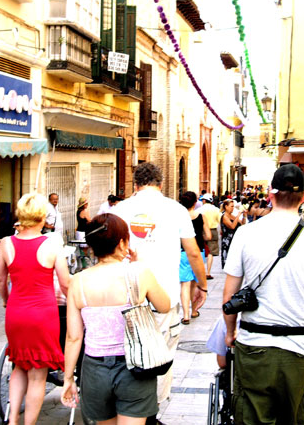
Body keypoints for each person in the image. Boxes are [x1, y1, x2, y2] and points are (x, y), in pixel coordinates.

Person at [223, 164, 304, 424]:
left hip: (255, 341)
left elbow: (230, 295)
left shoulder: (246, 233)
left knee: (251, 414)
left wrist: (230, 332)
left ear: (270, 195)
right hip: (300, 347)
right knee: (295, 416)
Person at [111, 162, 207, 413]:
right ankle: (153, 409)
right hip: (164, 297)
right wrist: (203, 286)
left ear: (136, 185)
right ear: (161, 183)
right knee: (163, 353)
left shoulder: (121, 209)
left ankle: (129, 407)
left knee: (127, 352)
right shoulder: (175, 210)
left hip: (128, 295)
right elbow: (194, 253)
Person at [61, 214, 170, 423]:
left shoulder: (78, 282)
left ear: (91, 246)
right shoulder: (138, 273)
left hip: (94, 369)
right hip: (135, 368)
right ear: (122, 243)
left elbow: (73, 337)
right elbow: (164, 306)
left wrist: (68, 378)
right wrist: (138, 266)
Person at [0, 192, 71, 425]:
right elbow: (66, 282)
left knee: (18, 365)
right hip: (43, 314)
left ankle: (13, 420)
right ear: (41, 218)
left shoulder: (7, 243)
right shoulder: (51, 244)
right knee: (38, 375)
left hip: (16, 311)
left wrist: (8, 300)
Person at [178, 191, 211, 324]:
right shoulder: (201, 217)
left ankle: (185, 315)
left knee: (185, 284)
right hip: (198, 251)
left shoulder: (178, 217)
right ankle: (194, 310)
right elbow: (208, 236)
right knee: (194, 284)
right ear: (194, 202)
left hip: (182, 252)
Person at [199, 193, 221, 279]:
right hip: (212, 231)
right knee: (211, 253)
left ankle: (201, 271)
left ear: (204, 200)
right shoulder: (216, 209)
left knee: (201, 250)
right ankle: (208, 272)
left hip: (202, 231)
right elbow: (220, 220)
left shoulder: (200, 210)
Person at [219, 198, 245, 267]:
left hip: (234, 239)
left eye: (233, 206)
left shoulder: (232, 216)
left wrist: (244, 216)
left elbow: (242, 223)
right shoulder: (225, 216)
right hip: (228, 240)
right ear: (226, 207)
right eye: (231, 206)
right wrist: (238, 215)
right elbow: (232, 226)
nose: (233, 208)